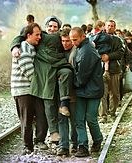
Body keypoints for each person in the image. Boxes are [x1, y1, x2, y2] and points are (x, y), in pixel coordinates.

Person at [11, 15, 73, 145]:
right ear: (46, 27)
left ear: (59, 28)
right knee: (33, 115)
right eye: (50, 26)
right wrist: (14, 46)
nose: (52, 28)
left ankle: (44, 139)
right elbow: (22, 36)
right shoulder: (33, 41)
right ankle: (32, 144)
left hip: (44, 80)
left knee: (44, 113)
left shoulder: (57, 38)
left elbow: (73, 38)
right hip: (32, 84)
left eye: (55, 27)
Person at [11, 23, 48, 155]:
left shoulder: (32, 47)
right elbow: (30, 73)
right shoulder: (23, 49)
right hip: (23, 90)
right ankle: (28, 146)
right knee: (26, 119)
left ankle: (39, 140)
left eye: (40, 34)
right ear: (28, 35)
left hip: (33, 89)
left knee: (41, 114)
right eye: (37, 35)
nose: (39, 37)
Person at [69, 27, 104, 157]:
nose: (73, 42)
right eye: (72, 40)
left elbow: (82, 77)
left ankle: (97, 140)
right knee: (79, 119)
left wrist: (72, 84)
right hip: (83, 90)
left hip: (92, 90)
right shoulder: (82, 48)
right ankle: (83, 145)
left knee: (90, 118)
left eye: (75, 39)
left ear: (83, 36)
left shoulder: (87, 51)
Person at [56, 28, 78, 156]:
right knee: (62, 119)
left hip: (74, 93)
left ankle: (74, 143)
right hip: (60, 93)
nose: (65, 43)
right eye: (63, 41)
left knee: (74, 120)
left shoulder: (76, 52)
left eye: (68, 41)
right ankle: (63, 146)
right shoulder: (58, 52)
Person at [100, 20, 124, 123]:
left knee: (114, 93)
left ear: (114, 28)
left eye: (112, 26)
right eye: (108, 26)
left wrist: (108, 56)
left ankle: (112, 112)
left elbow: (120, 53)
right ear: (105, 27)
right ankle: (103, 115)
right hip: (101, 70)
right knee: (102, 94)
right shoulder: (99, 38)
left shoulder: (118, 40)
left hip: (114, 69)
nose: (110, 27)